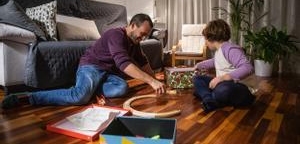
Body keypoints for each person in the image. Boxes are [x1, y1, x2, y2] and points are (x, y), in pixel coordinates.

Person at [1, 13, 165, 109]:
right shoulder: (116, 34)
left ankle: (89, 89)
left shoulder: (134, 42)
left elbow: (143, 62)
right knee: (78, 97)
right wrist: (151, 81)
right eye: (142, 34)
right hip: (91, 67)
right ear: (132, 25)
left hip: (107, 73)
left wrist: (155, 78)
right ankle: (27, 97)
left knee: (122, 88)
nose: (143, 38)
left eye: (146, 35)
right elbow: (123, 64)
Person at [193, 19, 255, 113]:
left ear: (211, 38)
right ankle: (210, 100)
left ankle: (210, 97)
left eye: (205, 39)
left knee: (222, 90)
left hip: (238, 88)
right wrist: (199, 65)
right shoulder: (219, 50)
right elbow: (215, 61)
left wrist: (222, 78)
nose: (205, 42)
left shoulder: (230, 49)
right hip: (223, 85)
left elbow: (248, 68)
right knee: (197, 79)